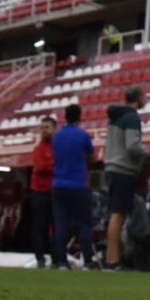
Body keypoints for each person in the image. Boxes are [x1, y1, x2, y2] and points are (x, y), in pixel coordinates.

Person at [104, 86, 150, 269]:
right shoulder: (132, 117)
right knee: (118, 215)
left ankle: (111, 258)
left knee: (116, 215)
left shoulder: (115, 116)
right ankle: (113, 260)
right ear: (139, 97)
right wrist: (149, 155)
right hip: (123, 169)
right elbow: (132, 145)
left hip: (112, 167)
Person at [52, 103, 96, 269]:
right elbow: (91, 157)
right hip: (78, 185)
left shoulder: (57, 136)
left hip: (59, 184)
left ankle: (61, 261)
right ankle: (87, 261)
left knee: (61, 224)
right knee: (84, 224)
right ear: (79, 116)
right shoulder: (83, 135)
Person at [30, 116, 56, 268]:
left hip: (54, 190)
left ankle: (56, 256)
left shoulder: (57, 146)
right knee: (40, 225)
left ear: (54, 128)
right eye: (42, 127)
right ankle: (40, 258)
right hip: (39, 191)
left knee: (56, 225)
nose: (44, 130)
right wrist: (54, 165)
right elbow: (40, 167)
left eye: (47, 127)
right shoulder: (39, 149)